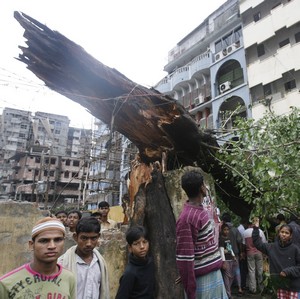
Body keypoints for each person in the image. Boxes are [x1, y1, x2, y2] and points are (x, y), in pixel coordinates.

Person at [176, 170, 228, 299]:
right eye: (204, 184)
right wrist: (190, 288)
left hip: (213, 275)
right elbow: (185, 257)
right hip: (203, 281)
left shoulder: (200, 211)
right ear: (202, 188)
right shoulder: (187, 218)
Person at [0, 217, 76, 298]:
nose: (52, 246)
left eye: (58, 240)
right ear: (31, 245)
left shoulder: (69, 278)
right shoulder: (6, 283)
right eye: (44, 241)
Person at [58, 216, 110, 299]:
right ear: (75, 237)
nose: (89, 243)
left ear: (98, 237)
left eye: (93, 238)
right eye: (84, 238)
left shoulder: (100, 263)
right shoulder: (62, 263)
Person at [252, 223, 300, 298]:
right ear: (278, 233)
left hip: (293, 287)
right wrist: (255, 228)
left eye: (287, 233)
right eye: (282, 232)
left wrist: (287, 271)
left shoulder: (295, 249)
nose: (284, 234)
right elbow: (258, 244)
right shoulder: (271, 247)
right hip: (280, 286)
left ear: (291, 236)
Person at [115, 225, 155, 299]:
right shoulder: (130, 273)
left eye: (144, 242)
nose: (142, 247)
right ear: (130, 248)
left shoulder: (152, 263)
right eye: (136, 244)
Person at [243, 217, 267, 295]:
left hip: (249, 253)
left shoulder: (245, 232)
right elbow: (264, 243)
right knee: (260, 270)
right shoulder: (260, 231)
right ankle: (261, 287)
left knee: (251, 270)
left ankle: (253, 288)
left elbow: (243, 244)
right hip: (259, 252)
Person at [221, 212, 243, 295]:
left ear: (223, 220)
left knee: (227, 274)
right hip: (235, 254)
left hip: (226, 256)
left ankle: (228, 291)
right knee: (237, 271)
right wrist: (241, 252)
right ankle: (240, 288)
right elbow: (239, 241)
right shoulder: (235, 229)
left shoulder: (222, 230)